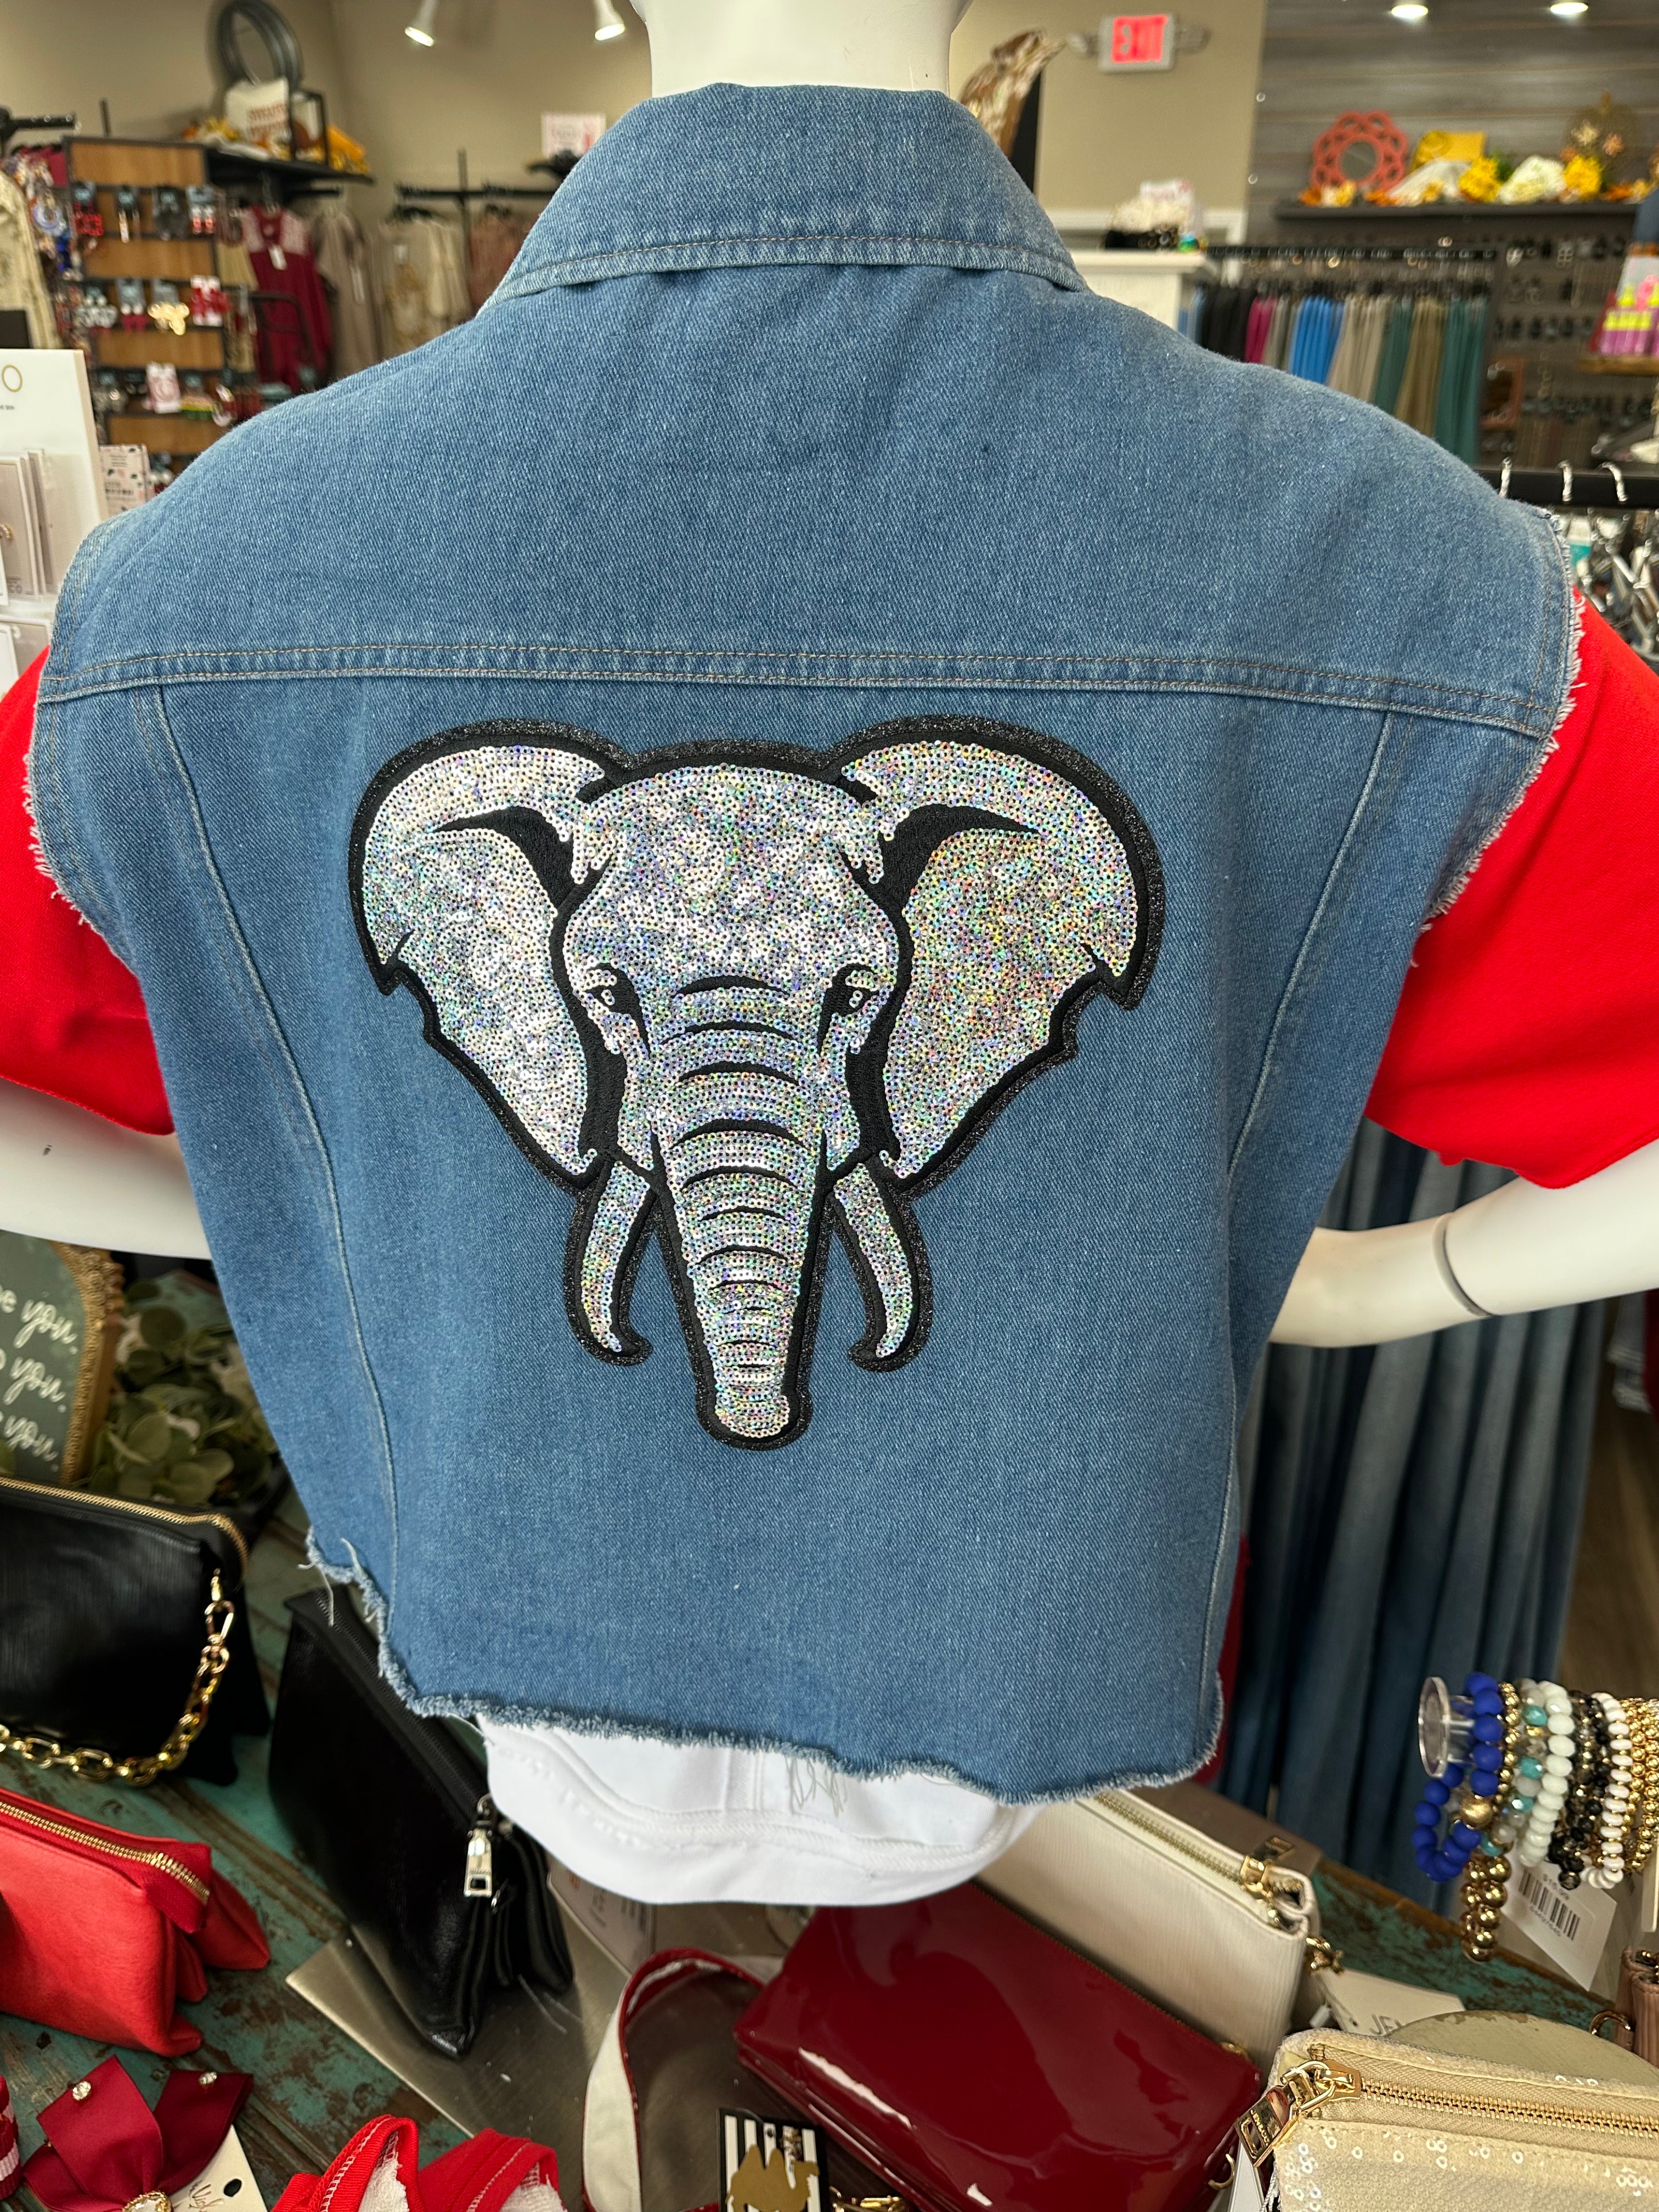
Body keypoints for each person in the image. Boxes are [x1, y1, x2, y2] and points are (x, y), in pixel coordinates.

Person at [3, 0, 1658, 1906]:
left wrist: (311, 1190)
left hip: (514, 1692)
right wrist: (1372, 1279)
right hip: (1025, 1709)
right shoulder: (1392, 573)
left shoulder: (197, 593)